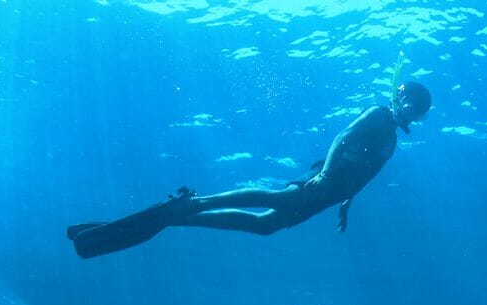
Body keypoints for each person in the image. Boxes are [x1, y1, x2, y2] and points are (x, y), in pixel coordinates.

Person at [68, 78, 432, 259]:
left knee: (265, 226)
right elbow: (342, 136)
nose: (413, 115)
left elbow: (367, 175)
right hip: (323, 180)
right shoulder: (378, 114)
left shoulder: (392, 139)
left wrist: (347, 203)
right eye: (413, 107)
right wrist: (324, 174)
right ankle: (194, 203)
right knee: (277, 198)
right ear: (402, 99)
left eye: (419, 114)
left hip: (332, 195)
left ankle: (181, 217)